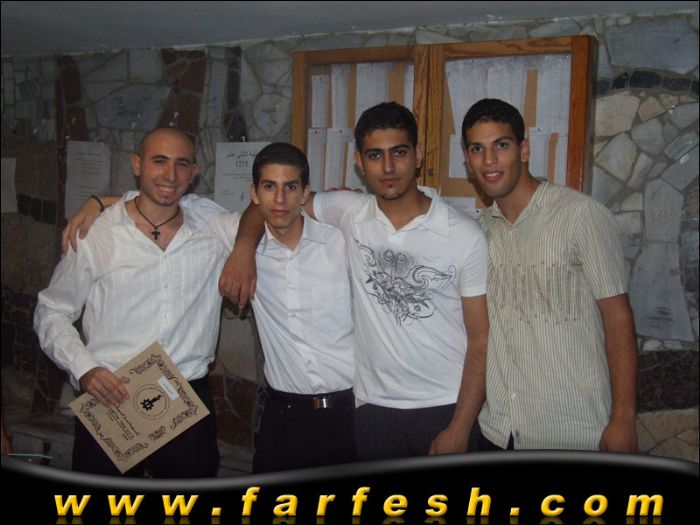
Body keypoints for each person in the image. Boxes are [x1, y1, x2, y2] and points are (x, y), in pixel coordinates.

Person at [61, 142, 357, 473]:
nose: (279, 199)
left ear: (305, 193)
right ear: (254, 193)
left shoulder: (341, 239)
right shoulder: (214, 231)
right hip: (116, 395)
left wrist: (242, 249)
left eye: (290, 187)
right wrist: (98, 202)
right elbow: (161, 197)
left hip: (341, 410)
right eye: (269, 187)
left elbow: (173, 197)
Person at [222, 102, 489, 460]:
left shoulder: (464, 234)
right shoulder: (348, 211)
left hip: (444, 406)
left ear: (418, 155)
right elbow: (274, 205)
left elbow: (481, 339)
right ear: (360, 163)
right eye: (375, 155)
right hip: (372, 409)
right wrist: (243, 249)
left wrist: (460, 426)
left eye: (399, 152)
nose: (388, 167)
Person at [34, 128, 231, 477]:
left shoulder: (212, 229)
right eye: (159, 161)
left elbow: (267, 214)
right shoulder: (97, 232)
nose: (170, 175)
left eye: (181, 164)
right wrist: (84, 368)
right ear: (137, 164)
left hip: (186, 399)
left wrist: (242, 251)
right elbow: (52, 311)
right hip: (111, 396)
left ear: (194, 172)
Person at [461, 98, 638, 452]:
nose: (489, 160)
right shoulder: (479, 231)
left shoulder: (580, 215)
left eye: (501, 145)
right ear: (467, 160)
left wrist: (624, 417)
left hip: (572, 430)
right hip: (499, 431)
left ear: (524, 150)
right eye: (477, 149)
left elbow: (618, 319)